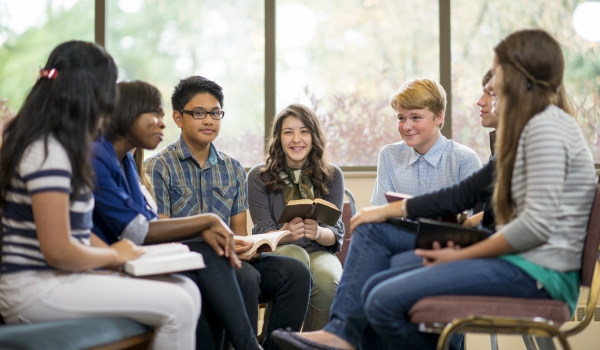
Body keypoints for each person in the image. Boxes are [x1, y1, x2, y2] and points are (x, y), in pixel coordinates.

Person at [272, 29, 595, 350]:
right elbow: (466, 193)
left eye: (495, 75)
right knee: (373, 286)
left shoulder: (547, 131)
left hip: (536, 275)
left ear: (519, 76)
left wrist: (460, 255)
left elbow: (532, 228)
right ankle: (341, 334)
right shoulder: (530, 129)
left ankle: (344, 336)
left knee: (382, 299)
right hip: (519, 263)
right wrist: (390, 209)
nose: (488, 89)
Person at [0, 41, 200, 350]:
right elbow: (59, 251)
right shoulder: (47, 150)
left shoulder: (63, 146)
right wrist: (113, 255)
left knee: (186, 289)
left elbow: (75, 231)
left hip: (56, 278)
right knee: (180, 304)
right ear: (89, 95)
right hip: (33, 287)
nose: (109, 108)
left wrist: (125, 257)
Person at [91, 80, 262, 350]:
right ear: (126, 114)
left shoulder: (125, 160)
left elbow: (144, 219)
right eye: (154, 115)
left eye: (215, 112)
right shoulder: (101, 157)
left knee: (280, 269)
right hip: (110, 260)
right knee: (205, 266)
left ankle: (249, 345)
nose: (161, 124)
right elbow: (139, 229)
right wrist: (207, 222)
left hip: (136, 254)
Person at [145, 76, 312, 350]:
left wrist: (249, 246)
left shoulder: (233, 167)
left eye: (215, 113)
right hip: (190, 261)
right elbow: (161, 232)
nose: (209, 120)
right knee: (245, 277)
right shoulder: (159, 166)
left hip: (230, 255)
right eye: (199, 113)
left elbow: (239, 233)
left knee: (295, 271)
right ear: (178, 117)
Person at [247, 104, 344, 331]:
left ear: (314, 136)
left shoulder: (332, 176)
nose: (296, 139)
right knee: (295, 257)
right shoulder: (258, 177)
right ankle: (278, 341)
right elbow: (262, 233)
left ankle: (313, 345)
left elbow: (336, 233)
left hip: (319, 250)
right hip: (278, 250)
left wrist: (319, 232)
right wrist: (285, 234)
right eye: (288, 132)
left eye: (304, 131)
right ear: (278, 138)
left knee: (328, 278)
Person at [371, 78, 482, 205]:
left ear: (439, 117)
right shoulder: (388, 155)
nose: (406, 126)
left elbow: (474, 219)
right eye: (401, 118)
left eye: (416, 118)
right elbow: (381, 214)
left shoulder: (464, 160)